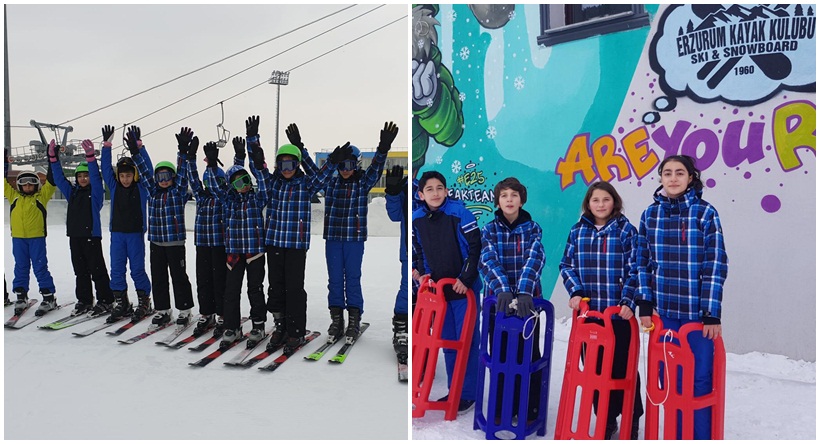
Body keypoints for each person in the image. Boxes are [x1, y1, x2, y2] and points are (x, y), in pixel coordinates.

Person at [635, 155, 728, 440]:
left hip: (697, 317)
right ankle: (676, 435)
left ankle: (698, 436)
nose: (673, 178)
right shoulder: (650, 214)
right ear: (661, 178)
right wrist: (646, 305)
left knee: (698, 378)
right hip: (663, 316)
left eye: (679, 173)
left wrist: (711, 312)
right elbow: (642, 262)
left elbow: (716, 263)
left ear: (690, 178)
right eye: (667, 173)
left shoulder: (705, 213)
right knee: (668, 378)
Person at [288, 122, 399, 344]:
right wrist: (299, 147)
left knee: (353, 279)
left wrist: (383, 148)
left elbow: (376, 168)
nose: (345, 170)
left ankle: (354, 317)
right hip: (334, 239)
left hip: (354, 240)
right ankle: (337, 318)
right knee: (335, 280)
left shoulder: (362, 183)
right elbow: (312, 170)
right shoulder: (331, 182)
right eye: (341, 165)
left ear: (356, 165)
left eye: (349, 165)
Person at [249, 116, 349, 353]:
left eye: (291, 165)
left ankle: (295, 330)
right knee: (275, 287)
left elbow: (322, 177)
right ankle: (280, 325)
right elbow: (258, 167)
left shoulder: (305, 185)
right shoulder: (272, 183)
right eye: (282, 166)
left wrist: (333, 162)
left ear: (297, 166)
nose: (286, 170)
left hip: (295, 245)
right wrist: (253, 142)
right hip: (274, 243)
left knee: (294, 289)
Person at [559, 180, 643, 439]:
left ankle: (630, 417)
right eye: (595, 200)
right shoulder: (577, 231)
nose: (601, 205)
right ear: (588, 204)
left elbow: (636, 269)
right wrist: (576, 293)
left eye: (606, 200)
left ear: (614, 202)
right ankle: (605, 419)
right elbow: (567, 265)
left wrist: (628, 301)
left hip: (618, 316)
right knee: (595, 370)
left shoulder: (626, 231)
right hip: (591, 317)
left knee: (622, 367)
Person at [412, 170, 482, 413]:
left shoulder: (459, 212)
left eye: (439, 188)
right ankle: (455, 391)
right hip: (441, 293)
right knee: (449, 343)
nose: (435, 193)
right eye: (429, 189)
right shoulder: (417, 217)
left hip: (464, 290)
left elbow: (476, 248)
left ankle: (469, 393)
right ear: (421, 194)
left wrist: (466, 278)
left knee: (468, 342)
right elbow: (420, 250)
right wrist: (423, 272)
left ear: (447, 191)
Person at [479, 177, 546, 425]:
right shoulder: (489, 229)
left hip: (528, 305)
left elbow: (535, 257)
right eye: (504, 195)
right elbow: (487, 259)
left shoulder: (533, 228)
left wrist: (525, 291)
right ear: (497, 201)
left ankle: (529, 408)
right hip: (499, 304)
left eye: (514, 195)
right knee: (501, 353)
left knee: (527, 353)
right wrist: (502, 289)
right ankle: (500, 407)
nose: (509, 199)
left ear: (521, 200)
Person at [202, 137, 269, 348]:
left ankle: (258, 324)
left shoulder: (256, 199)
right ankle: (232, 326)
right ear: (231, 185)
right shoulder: (228, 200)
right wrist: (212, 165)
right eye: (238, 183)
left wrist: (255, 158)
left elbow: (265, 184)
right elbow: (214, 186)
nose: (244, 186)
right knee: (231, 291)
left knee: (255, 289)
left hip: (254, 252)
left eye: (246, 181)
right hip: (234, 254)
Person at [132, 127, 196, 330]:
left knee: (179, 277)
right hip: (156, 242)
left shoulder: (178, 192)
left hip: (175, 243)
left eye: (167, 176)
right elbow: (143, 172)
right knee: (158, 276)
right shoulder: (153, 192)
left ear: (173, 177)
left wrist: (183, 153)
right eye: (159, 177)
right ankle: (163, 309)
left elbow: (184, 174)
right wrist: (136, 153)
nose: (163, 180)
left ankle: (184, 309)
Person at [49, 138, 113, 316]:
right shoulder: (72, 193)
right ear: (76, 178)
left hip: (91, 236)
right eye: (80, 176)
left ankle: (106, 300)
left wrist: (91, 158)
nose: (83, 178)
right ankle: (84, 300)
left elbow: (96, 177)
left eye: (85, 175)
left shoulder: (96, 194)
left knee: (97, 270)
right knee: (80, 272)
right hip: (75, 236)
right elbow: (60, 179)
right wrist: (54, 160)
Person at [100, 125, 152, 324]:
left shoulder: (141, 188)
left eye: (128, 175)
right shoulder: (114, 187)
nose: (125, 178)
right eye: (122, 175)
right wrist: (106, 146)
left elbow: (148, 168)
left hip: (135, 235)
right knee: (117, 270)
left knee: (137, 269)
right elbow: (106, 170)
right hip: (118, 235)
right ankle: (122, 302)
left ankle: (144, 301)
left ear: (134, 175)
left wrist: (139, 146)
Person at [4, 143, 58, 316]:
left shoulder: (41, 197)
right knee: (20, 267)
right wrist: (5, 163)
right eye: (24, 184)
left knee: (40, 267)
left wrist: (52, 160)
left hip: (37, 238)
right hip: (18, 238)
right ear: (19, 186)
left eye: (31, 184)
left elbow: (51, 181)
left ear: (36, 185)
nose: (28, 187)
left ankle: (48, 296)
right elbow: (3, 181)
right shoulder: (14, 197)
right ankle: (21, 295)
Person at [187, 135, 228, 337]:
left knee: (219, 280)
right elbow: (192, 178)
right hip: (202, 244)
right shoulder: (201, 197)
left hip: (220, 245)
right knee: (203, 279)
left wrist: (212, 165)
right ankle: (206, 313)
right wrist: (190, 157)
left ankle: (222, 314)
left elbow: (219, 187)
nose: (212, 184)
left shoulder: (224, 198)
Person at [384, 164, 408, 363]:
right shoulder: (407, 186)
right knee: (407, 290)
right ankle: (402, 327)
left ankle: (423, 332)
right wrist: (392, 192)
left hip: (437, 251)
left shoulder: (438, 185)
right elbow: (394, 216)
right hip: (410, 250)